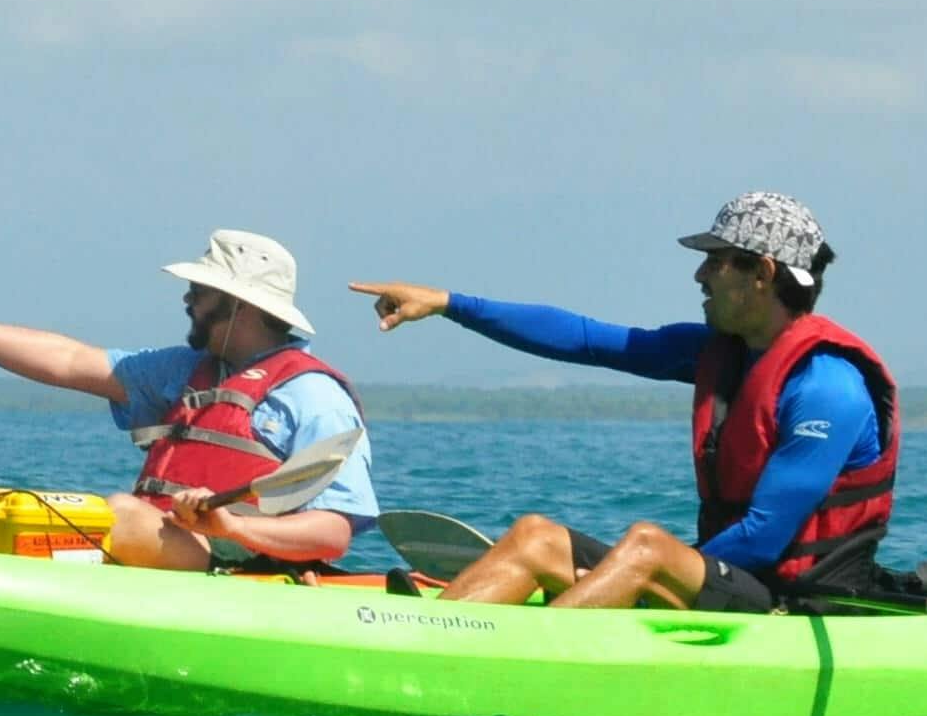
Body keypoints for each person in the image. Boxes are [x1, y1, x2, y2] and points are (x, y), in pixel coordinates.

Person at [350, 192, 895, 612]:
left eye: (717, 260)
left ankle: (525, 656)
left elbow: (764, 538)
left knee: (647, 546)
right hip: (725, 578)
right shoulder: (719, 353)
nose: (700, 274)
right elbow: (585, 338)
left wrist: (627, 574)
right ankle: (431, 643)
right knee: (536, 538)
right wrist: (448, 304)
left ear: (763, 274)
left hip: (799, 603)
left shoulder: (827, 386)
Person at [0, 229, 377, 571]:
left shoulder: (313, 396)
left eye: (201, 290)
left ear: (239, 305)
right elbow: (66, 360)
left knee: (121, 513)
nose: (187, 299)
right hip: (163, 550)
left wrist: (233, 526)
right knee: (25, 513)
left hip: (239, 565)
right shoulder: (184, 371)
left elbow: (332, 533)